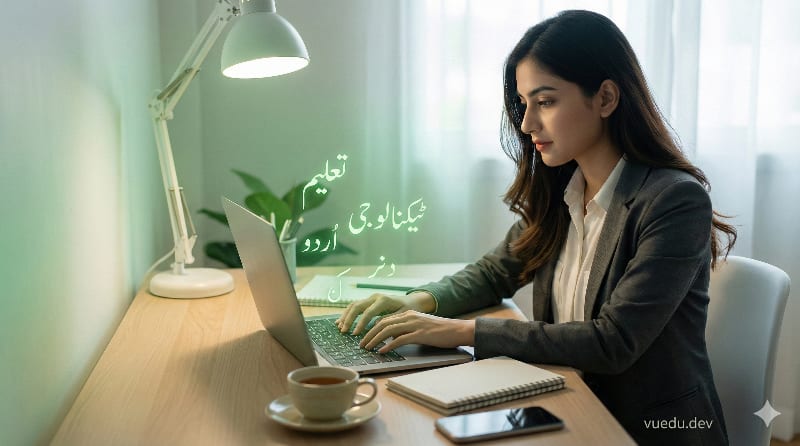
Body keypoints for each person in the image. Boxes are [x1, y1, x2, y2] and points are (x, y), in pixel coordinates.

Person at [336, 10, 736, 445]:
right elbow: (494, 273)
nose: (527, 125)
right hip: (567, 402)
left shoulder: (673, 201)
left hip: (647, 430)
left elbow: (613, 342)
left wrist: (463, 332)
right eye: (524, 104)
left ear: (605, 98)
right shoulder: (564, 190)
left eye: (545, 102)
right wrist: (419, 302)